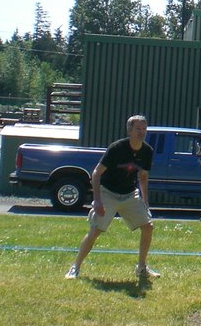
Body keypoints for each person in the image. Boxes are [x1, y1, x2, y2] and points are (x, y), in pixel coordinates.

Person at [64, 114, 160, 280]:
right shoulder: (117, 148)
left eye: (144, 129)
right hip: (108, 193)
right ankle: (75, 267)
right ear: (130, 130)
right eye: (138, 129)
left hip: (130, 194)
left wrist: (145, 201)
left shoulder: (147, 151)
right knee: (96, 230)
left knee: (148, 227)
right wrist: (98, 200)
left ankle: (142, 267)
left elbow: (143, 177)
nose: (142, 132)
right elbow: (96, 173)